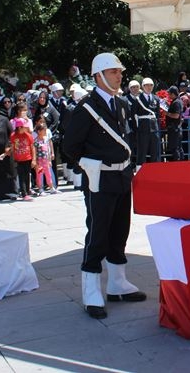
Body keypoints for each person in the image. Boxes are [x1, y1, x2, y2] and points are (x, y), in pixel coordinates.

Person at [62, 52, 145, 320]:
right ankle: (90, 289)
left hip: (121, 177)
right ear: (98, 76)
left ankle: (117, 283)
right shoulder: (85, 108)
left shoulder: (122, 105)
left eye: (119, 72)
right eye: (112, 72)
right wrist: (91, 165)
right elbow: (69, 147)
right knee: (97, 232)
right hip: (99, 179)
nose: (119, 76)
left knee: (120, 230)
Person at [132, 77, 161, 167]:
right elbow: (133, 115)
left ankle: (155, 170)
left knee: (155, 151)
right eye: (147, 85)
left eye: (151, 85)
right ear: (143, 86)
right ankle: (140, 170)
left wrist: (157, 128)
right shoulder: (138, 99)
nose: (149, 87)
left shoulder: (156, 98)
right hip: (143, 129)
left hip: (154, 128)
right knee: (142, 151)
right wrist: (137, 129)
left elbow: (158, 115)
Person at [10, 118, 36, 201]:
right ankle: (24, 193)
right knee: (21, 176)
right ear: (19, 127)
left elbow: (32, 148)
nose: (26, 128)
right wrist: (13, 158)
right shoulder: (13, 136)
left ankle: (27, 191)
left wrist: (34, 160)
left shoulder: (28, 135)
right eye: (25, 127)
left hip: (27, 158)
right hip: (18, 160)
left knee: (27, 175)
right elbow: (13, 148)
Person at [164, 86, 184, 161]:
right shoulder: (177, 101)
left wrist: (167, 113)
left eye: (169, 94)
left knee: (175, 148)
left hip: (174, 129)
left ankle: (178, 165)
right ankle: (181, 164)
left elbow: (176, 115)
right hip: (176, 128)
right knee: (179, 147)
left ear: (173, 94)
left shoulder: (176, 102)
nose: (168, 95)